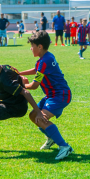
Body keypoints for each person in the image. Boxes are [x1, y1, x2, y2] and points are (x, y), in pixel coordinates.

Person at [17, 31, 73, 160]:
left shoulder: (44, 61)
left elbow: (34, 85)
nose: (31, 48)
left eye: (32, 46)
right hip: (52, 94)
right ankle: (51, 137)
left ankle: (64, 147)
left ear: (40, 46)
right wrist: (19, 72)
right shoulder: (46, 57)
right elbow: (36, 69)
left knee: (41, 118)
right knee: (33, 115)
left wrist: (20, 87)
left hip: (60, 95)